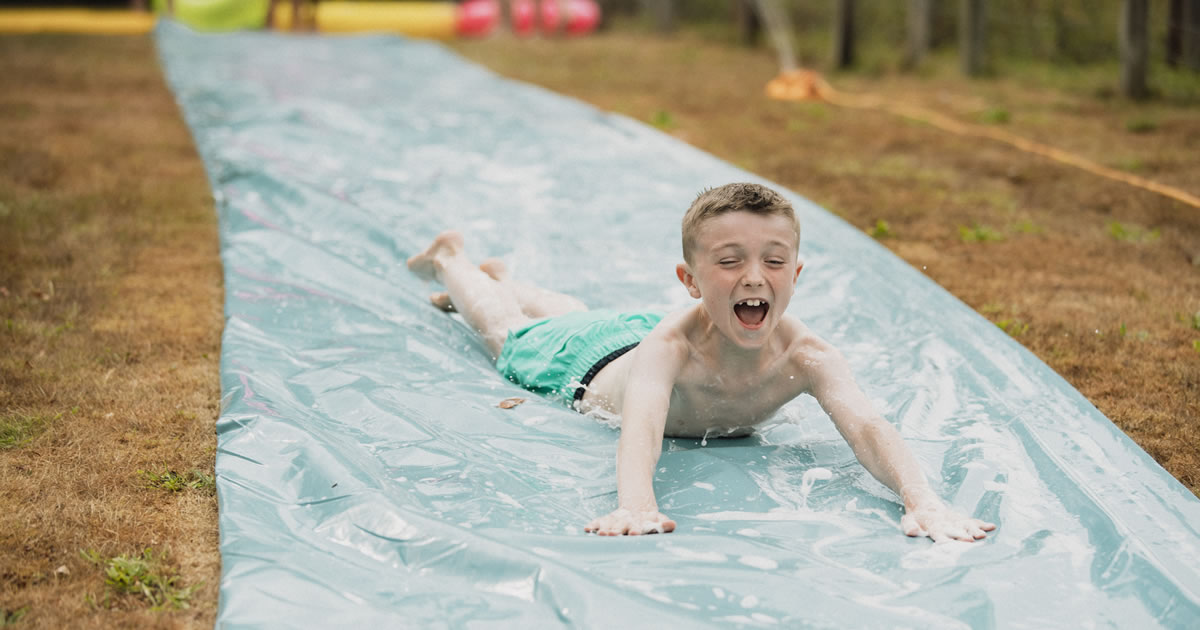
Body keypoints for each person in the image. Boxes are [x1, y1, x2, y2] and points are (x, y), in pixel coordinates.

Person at [407, 182, 997, 541]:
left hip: (629, 329)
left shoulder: (807, 354)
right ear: (690, 281)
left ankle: (509, 279)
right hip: (591, 362)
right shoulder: (671, 349)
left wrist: (922, 500)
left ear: (795, 273)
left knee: (579, 311)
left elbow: (868, 427)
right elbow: (640, 430)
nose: (752, 277)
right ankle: (452, 260)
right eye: (730, 261)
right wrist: (636, 506)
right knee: (506, 334)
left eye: (773, 261)